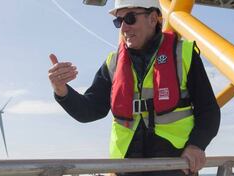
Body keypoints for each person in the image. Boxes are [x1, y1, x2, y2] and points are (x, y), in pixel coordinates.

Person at [47, 0, 220, 175]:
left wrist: (196, 146)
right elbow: (90, 111)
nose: (123, 28)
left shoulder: (183, 54)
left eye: (129, 18)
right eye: (118, 21)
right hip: (125, 168)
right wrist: (61, 90)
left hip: (173, 165)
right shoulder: (113, 63)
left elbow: (209, 110)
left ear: (153, 18)